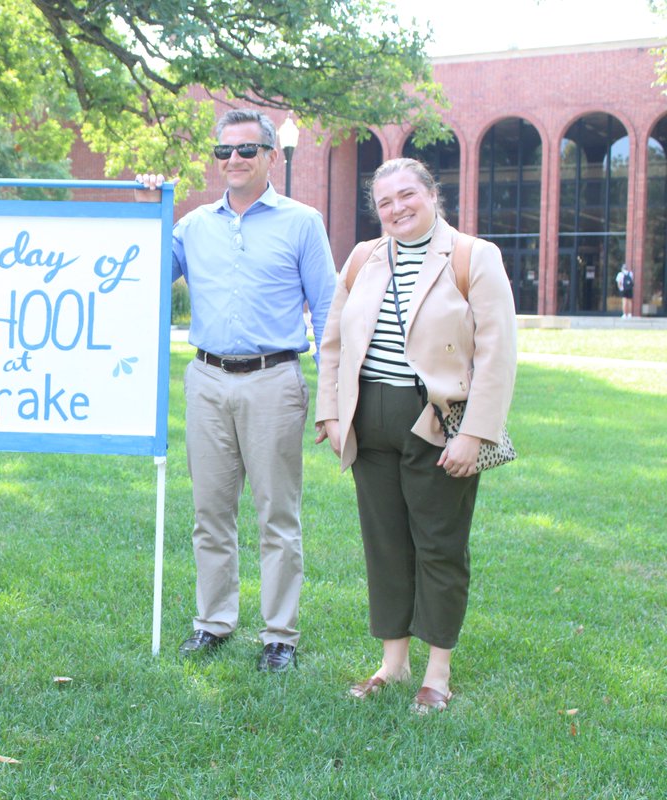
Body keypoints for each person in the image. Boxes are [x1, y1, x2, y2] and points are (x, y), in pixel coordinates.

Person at [137, 108, 336, 672]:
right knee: (210, 512)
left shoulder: (303, 222)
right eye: (224, 152)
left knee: (278, 515)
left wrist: (332, 397)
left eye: (246, 150)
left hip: (274, 380)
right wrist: (147, 209)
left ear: (271, 155)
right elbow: (142, 271)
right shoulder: (193, 226)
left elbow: (327, 309)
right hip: (205, 380)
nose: (234, 161)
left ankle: (280, 636)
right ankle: (213, 623)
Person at [315, 157, 517, 712]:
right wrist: (331, 415)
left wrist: (476, 434)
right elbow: (331, 342)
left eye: (408, 195)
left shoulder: (474, 257)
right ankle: (393, 663)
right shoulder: (362, 258)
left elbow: (497, 355)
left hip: (437, 421)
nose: (397, 208)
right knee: (384, 545)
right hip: (368, 422)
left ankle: (438, 672)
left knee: (438, 546)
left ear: (432, 194)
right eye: (385, 202)